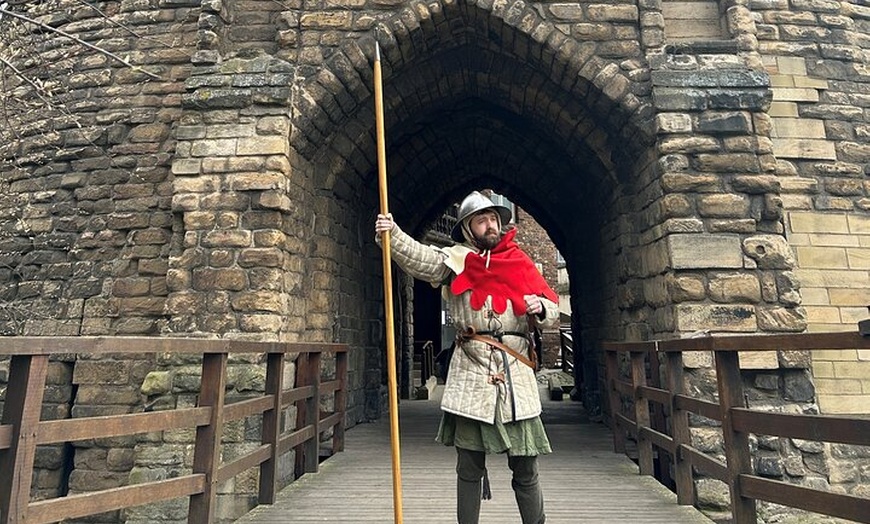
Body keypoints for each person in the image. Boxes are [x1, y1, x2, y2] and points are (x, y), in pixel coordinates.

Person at [375, 190, 559, 524]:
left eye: (494, 220)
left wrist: (542, 307)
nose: (490, 226)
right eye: (482, 220)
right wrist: (394, 233)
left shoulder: (520, 261)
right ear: (467, 228)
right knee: (469, 468)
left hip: (515, 376)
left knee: (526, 467)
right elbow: (420, 258)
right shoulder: (455, 261)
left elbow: (552, 306)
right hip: (472, 373)